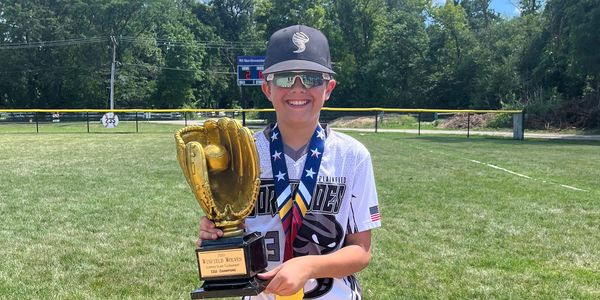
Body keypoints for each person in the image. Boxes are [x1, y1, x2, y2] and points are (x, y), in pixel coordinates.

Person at [198, 24, 381, 299]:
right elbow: (233, 230)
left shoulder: (352, 156)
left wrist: (307, 266)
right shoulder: (243, 154)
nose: (297, 88)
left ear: (328, 87)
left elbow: (361, 251)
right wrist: (217, 234)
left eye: (310, 78)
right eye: (284, 78)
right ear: (266, 87)